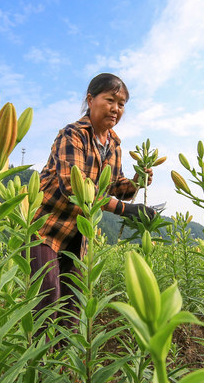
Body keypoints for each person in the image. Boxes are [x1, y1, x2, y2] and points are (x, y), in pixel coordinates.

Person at [31, 73, 157, 329]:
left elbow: (115, 185)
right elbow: (74, 190)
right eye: (110, 99)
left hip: (78, 237)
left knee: (72, 306)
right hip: (45, 229)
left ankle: (63, 366)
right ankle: (37, 363)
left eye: (121, 104)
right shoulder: (72, 135)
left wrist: (136, 182)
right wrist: (126, 209)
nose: (116, 109)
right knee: (48, 298)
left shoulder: (114, 145)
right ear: (90, 100)